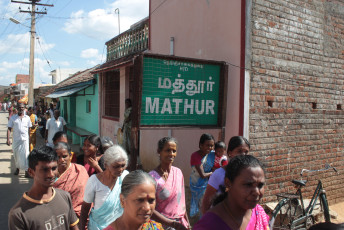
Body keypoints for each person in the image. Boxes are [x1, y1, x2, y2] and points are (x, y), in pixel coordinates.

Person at [8, 146, 79, 230]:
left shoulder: (65, 197)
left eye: (54, 168)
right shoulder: (18, 214)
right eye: (45, 170)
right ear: (31, 172)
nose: (51, 174)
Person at [193, 155, 269, 230]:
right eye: (248, 185)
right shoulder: (209, 224)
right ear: (228, 183)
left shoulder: (259, 213)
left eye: (260, 185)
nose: (256, 192)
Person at [80, 145, 129, 230]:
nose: (120, 169)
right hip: (98, 227)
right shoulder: (94, 181)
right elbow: (85, 209)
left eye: (123, 165)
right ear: (106, 165)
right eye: (116, 166)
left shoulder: (125, 176)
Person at [201, 136, 250, 214]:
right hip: (218, 218)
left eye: (246, 152)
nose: (243, 155)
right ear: (230, 153)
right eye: (239, 151)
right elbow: (206, 203)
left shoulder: (248, 174)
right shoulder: (219, 174)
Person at [149, 137, 190, 230]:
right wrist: (172, 224)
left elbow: (181, 203)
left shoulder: (178, 172)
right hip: (160, 225)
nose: (171, 154)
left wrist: (187, 224)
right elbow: (149, 208)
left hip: (180, 224)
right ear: (159, 151)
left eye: (174, 151)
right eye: (167, 150)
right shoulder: (151, 178)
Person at [53, 142, 89, 218]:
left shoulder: (80, 170)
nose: (61, 160)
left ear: (70, 156)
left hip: (82, 216)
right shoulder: (50, 175)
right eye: (58, 157)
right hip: (59, 217)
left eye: (64, 156)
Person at [189, 133, 215, 217]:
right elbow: (202, 175)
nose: (210, 148)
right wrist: (214, 172)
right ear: (201, 145)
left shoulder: (211, 155)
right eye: (207, 145)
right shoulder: (195, 156)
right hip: (198, 185)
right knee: (203, 207)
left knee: (208, 206)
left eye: (212, 146)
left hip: (209, 184)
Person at [7, 103, 32, 178]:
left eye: (22, 107)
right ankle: (17, 169)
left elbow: (29, 129)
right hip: (16, 140)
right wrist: (8, 139)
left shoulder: (27, 118)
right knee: (16, 155)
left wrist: (30, 139)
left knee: (26, 155)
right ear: (17, 108)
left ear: (24, 108)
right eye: (19, 107)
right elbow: (9, 128)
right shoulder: (13, 118)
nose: (21, 108)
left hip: (25, 140)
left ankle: (26, 171)